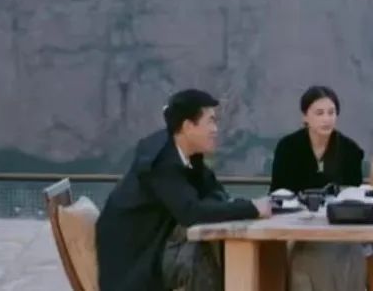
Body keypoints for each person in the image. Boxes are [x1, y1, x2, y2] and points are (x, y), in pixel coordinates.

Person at [96, 89, 272, 291]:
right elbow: (191, 212)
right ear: (188, 126)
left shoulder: (188, 153)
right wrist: (252, 208)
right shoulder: (162, 163)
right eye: (210, 121)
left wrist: (227, 204)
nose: (215, 129)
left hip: (159, 241)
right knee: (196, 256)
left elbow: (213, 190)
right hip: (136, 260)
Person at [270, 85, 367, 291]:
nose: (326, 119)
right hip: (297, 226)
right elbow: (277, 192)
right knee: (305, 253)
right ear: (305, 116)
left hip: (339, 225)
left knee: (351, 251)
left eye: (331, 113)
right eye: (319, 113)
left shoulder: (350, 150)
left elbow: (354, 193)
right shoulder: (288, 147)